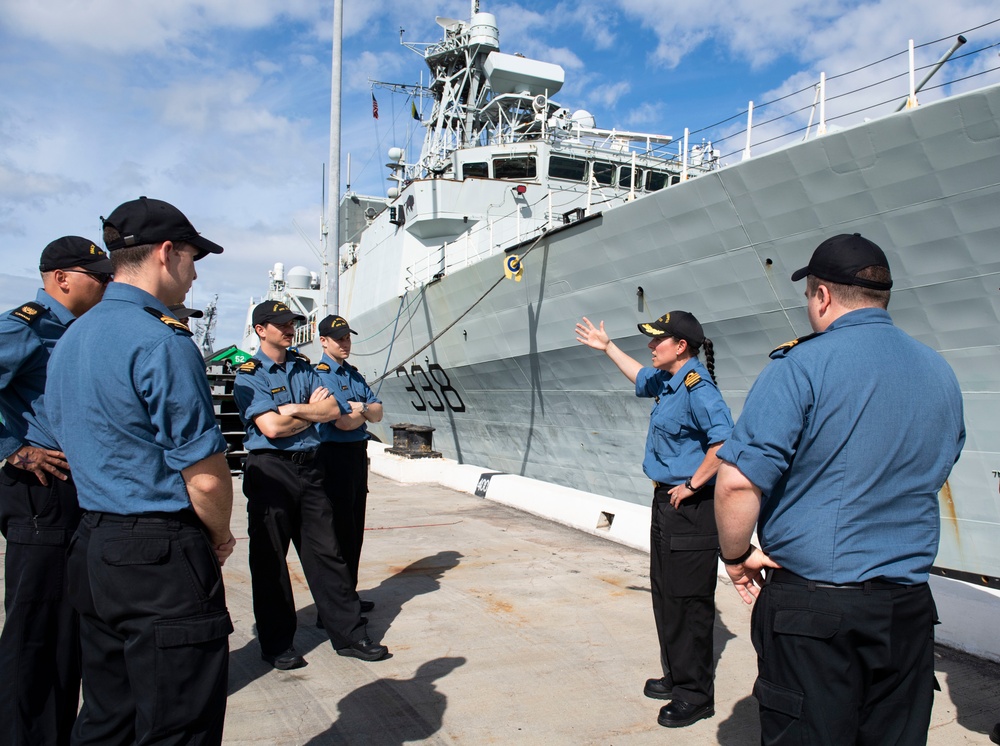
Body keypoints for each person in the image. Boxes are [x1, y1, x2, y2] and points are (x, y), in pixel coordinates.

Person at [714, 233, 965, 745]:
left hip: (815, 613)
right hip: (907, 610)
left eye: (808, 295)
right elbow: (937, 468)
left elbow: (737, 483)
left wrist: (736, 555)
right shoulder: (940, 372)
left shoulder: (800, 366)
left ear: (822, 295)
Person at [44, 197, 236, 744]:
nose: (195, 272)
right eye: (194, 258)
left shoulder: (71, 338)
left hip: (93, 546)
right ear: (167, 253)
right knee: (178, 722)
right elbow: (204, 475)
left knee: (108, 717)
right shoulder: (163, 340)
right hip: (160, 556)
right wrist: (218, 537)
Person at [575, 310, 733, 728]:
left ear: (680, 346)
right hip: (666, 503)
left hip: (690, 509)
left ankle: (696, 695)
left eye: (658, 340)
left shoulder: (699, 387)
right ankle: (677, 675)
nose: (651, 346)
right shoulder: (669, 379)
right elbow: (640, 376)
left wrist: (694, 484)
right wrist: (607, 347)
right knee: (665, 595)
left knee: (688, 603)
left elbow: (725, 440)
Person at [0, 235, 111, 745]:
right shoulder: (28, 325)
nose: (107, 283)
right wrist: (13, 448)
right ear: (62, 279)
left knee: (70, 626)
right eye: (98, 276)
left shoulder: (84, 331)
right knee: (36, 627)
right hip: (39, 492)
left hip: (76, 491)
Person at [234, 302, 389, 668]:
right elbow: (270, 429)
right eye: (281, 324)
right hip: (270, 471)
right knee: (270, 560)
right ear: (261, 329)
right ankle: (277, 644)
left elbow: (333, 412)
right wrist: (308, 409)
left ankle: (349, 635)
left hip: (311, 469)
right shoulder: (248, 374)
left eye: (291, 323)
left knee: (328, 555)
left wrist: (292, 410)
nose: (289, 329)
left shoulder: (304, 368)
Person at [315, 314, 383, 612]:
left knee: (354, 531)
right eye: (338, 338)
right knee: (337, 535)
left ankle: (348, 596)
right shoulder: (321, 374)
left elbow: (379, 413)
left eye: (347, 337)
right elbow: (341, 423)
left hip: (356, 456)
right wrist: (363, 413)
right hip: (334, 457)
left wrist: (363, 408)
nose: (345, 343)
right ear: (323, 341)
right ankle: (334, 607)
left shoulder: (353, 374)